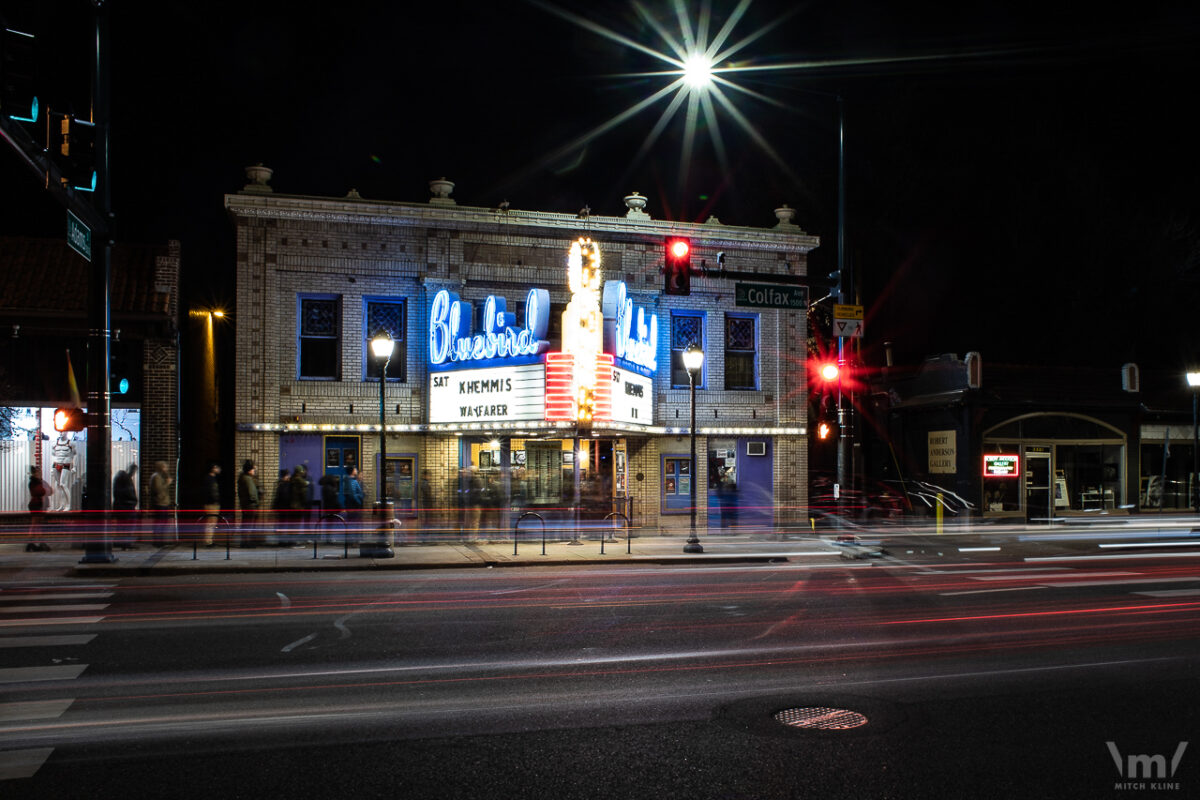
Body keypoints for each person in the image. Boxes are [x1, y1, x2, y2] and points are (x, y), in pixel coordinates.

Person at [112, 463, 139, 549]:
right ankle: (125, 542)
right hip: (127, 507)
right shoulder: (125, 479)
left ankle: (121, 542)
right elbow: (129, 493)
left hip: (121, 506)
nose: (134, 473)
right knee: (128, 526)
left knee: (122, 525)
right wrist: (134, 501)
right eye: (134, 471)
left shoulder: (120, 478)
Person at [148, 460, 174, 546]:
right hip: (160, 503)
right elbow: (158, 490)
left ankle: (161, 540)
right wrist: (167, 483)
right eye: (165, 467)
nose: (166, 469)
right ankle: (157, 541)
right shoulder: (156, 477)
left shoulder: (160, 476)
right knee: (159, 522)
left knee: (164, 522)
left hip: (164, 503)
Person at [237, 460, 262, 547]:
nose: (254, 471)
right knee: (249, 525)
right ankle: (246, 543)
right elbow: (252, 493)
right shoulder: (247, 479)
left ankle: (244, 542)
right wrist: (256, 501)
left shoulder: (243, 478)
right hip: (250, 506)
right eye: (253, 469)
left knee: (246, 524)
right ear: (249, 470)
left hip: (246, 505)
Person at [27, 466, 51, 551]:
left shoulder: (36, 482)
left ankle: (34, 543)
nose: (40, 474)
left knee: (37, 525)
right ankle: (34, 543)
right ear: (35, 473)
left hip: (37, 504)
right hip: (35, 505)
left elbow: (48, 491)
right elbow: (41, 491)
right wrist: (45, 490)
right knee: (35, 525)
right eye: (38, 472)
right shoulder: (34, 482)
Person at [318, 472, 342, 542]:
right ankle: (328, 539)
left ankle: (328, 538)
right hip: (331, 508)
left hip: (327, 507)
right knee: (330, 524)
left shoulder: (324, 487)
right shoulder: (330, 488)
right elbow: (333, 499)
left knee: (329, 524)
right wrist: (338, 507)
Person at [202, 461, 221, 547]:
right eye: (216, 467)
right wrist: (214, 500)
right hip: (211, 504)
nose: (218, 469)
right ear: (213, 469)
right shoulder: (209, 478)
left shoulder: (212, 478)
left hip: (213, 503)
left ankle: (210, 540)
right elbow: (209, 492)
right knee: (211, 522)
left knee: (213, 523)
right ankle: (208, 541)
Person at [271, 468, 290, 544]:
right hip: (284, 507)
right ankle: (283, 541)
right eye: (288, 475)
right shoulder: (284, 484)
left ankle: (281, 540)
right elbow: (284, 496)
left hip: (280, 507)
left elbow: (276, 496)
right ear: (285, 476)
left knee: (281, 524)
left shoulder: (279, 484)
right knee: (283, 524)